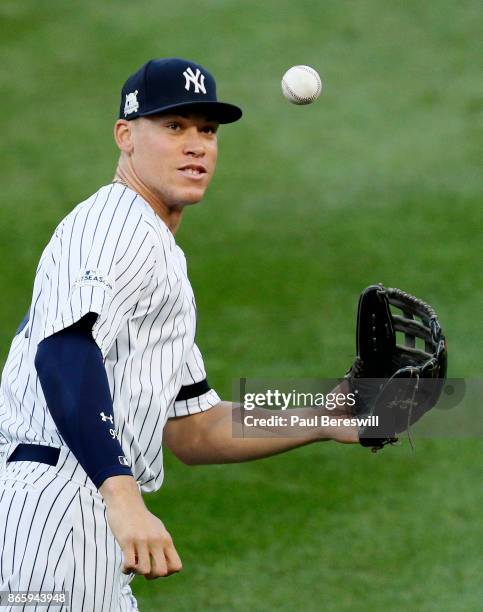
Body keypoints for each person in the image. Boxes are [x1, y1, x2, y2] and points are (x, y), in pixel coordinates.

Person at [0, 57, 358, 611]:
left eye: (207, 131)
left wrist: (324, 417)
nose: (196, 145)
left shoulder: (155, 251)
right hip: (63, 504)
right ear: (125, 136)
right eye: (174, 127)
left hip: (78, 504)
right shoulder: (116, 226)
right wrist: (121, 494)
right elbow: (65, 352)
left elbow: (195, 427)